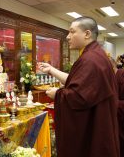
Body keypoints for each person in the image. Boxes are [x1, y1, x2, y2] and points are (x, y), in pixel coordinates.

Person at [39, 16, 119, 157]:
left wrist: (57, 93)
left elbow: (79, 97)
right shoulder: (94, 55)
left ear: (87, 34)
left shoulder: (90, 59)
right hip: (98, 121)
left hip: (92, 128)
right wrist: (51, 69)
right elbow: (76, 82)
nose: (68, 37)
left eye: (72, 32)